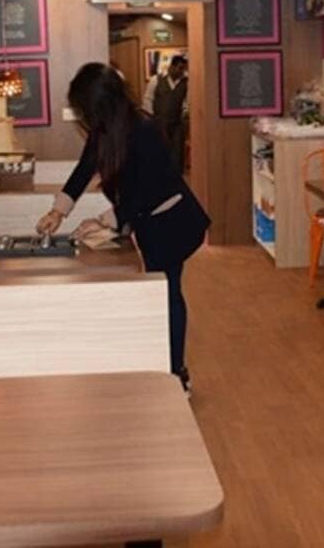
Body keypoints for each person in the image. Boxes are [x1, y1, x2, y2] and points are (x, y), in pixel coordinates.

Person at [37, 62, 209, 393]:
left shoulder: (144, 130)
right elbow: (84, 170)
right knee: (161, 291)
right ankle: (164, 365)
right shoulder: (106, 130)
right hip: (148, 220)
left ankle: (177, 374)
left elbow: (149, 191)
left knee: (167, 294)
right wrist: (58, 211)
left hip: (173, 221)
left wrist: (105, 220)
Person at [142, 54, 188, 172]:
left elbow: (186, 102)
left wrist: (185, 113)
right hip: (159, 121)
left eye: (183, 69)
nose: (181, 71)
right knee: (160, 150)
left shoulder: (185, 82)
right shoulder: (156, 80)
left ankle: (176, 176)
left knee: (177, 152)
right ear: (171, 67)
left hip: (177, 123)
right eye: (179, 68)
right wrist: (150, 118)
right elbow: (148, 99)